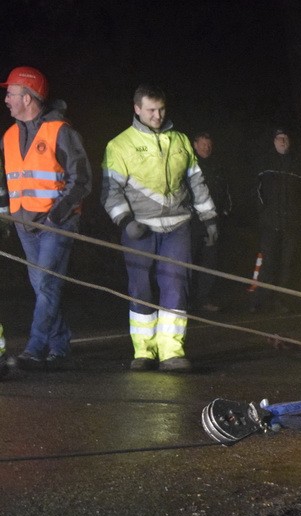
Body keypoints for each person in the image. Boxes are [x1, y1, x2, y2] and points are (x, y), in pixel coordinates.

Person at [100, 85, 218, 372]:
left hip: (178, 226)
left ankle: (172, 352)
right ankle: (144, 352)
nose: (157, 115)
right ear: (137, 109)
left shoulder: (180, 140)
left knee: (176, 286)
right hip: (139, 229)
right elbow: (110, 191)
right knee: (140, 289)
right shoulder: (119, 145)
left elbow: (196, 182)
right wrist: (127, 222)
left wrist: (210, 218)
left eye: (161, 109)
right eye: (151, 110)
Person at [0, 66, 92, 371]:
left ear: (27, 98)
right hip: (26, 226)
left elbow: (82, 180)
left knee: (48, 286)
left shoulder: (61, 131)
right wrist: (7, 215)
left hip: (56, 224)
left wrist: (56, 215)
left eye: (11, 93)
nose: (6, 100)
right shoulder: (9, 136)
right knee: (43, 288)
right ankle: (60, 344)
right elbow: (8, 181)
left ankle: (35, 348)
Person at [251, 128, 301, 312]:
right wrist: (263, 213)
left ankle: (280, 301)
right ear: (273, 141)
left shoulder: (297, 165)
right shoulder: (265, 164)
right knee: (268, 262)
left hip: (292, 224)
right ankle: (260, 300)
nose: (283, 142)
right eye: (280, 138)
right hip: (270, 224)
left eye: (286, 138)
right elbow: (256, 192)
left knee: (287, 264)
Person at [190, 132, 232, 313]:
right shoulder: (188, 165)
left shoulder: (218, 166)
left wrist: (225, 211)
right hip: (191, 222)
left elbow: (227, 192)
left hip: (213, 223)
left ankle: (204, 299)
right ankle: (186, 300)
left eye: (208, 144)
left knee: (210, 262)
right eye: (202, 144)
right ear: (194, 145)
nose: (205, 148)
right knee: (189, 261)